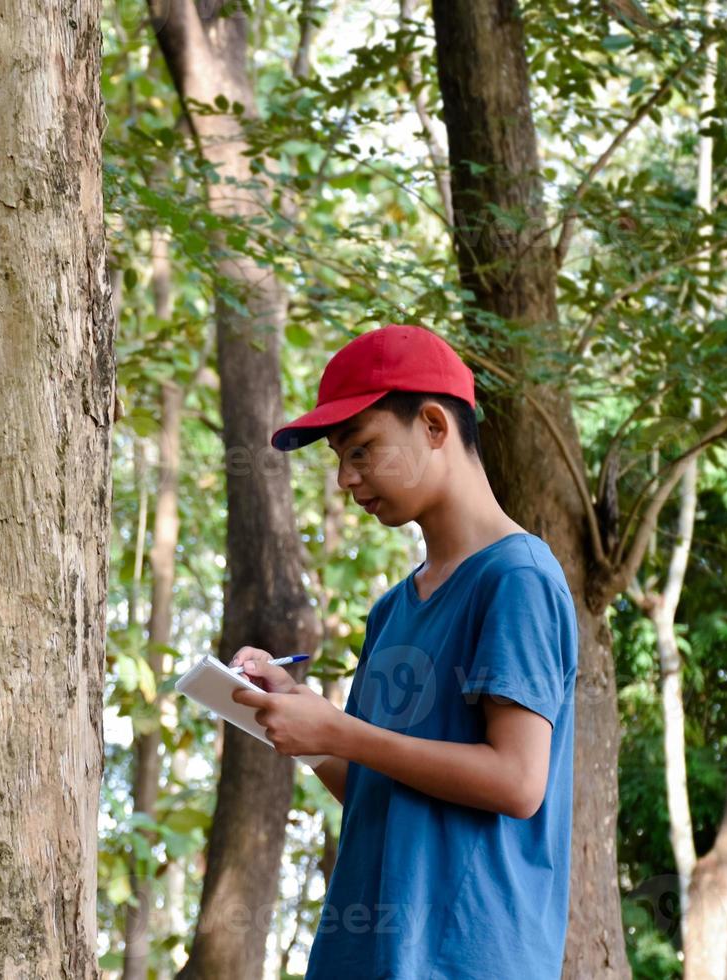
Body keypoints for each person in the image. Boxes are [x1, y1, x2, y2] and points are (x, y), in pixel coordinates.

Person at [233, 325, 577, 979]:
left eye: (361, 450)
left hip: (466, 959)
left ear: (431, 425)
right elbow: (373, 785)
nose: (343, 479)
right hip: (360, 958)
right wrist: (290, 716)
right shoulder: (391, 609)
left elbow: (516, 781)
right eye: (338, 458)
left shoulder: (516, 578)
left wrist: (340, 730)